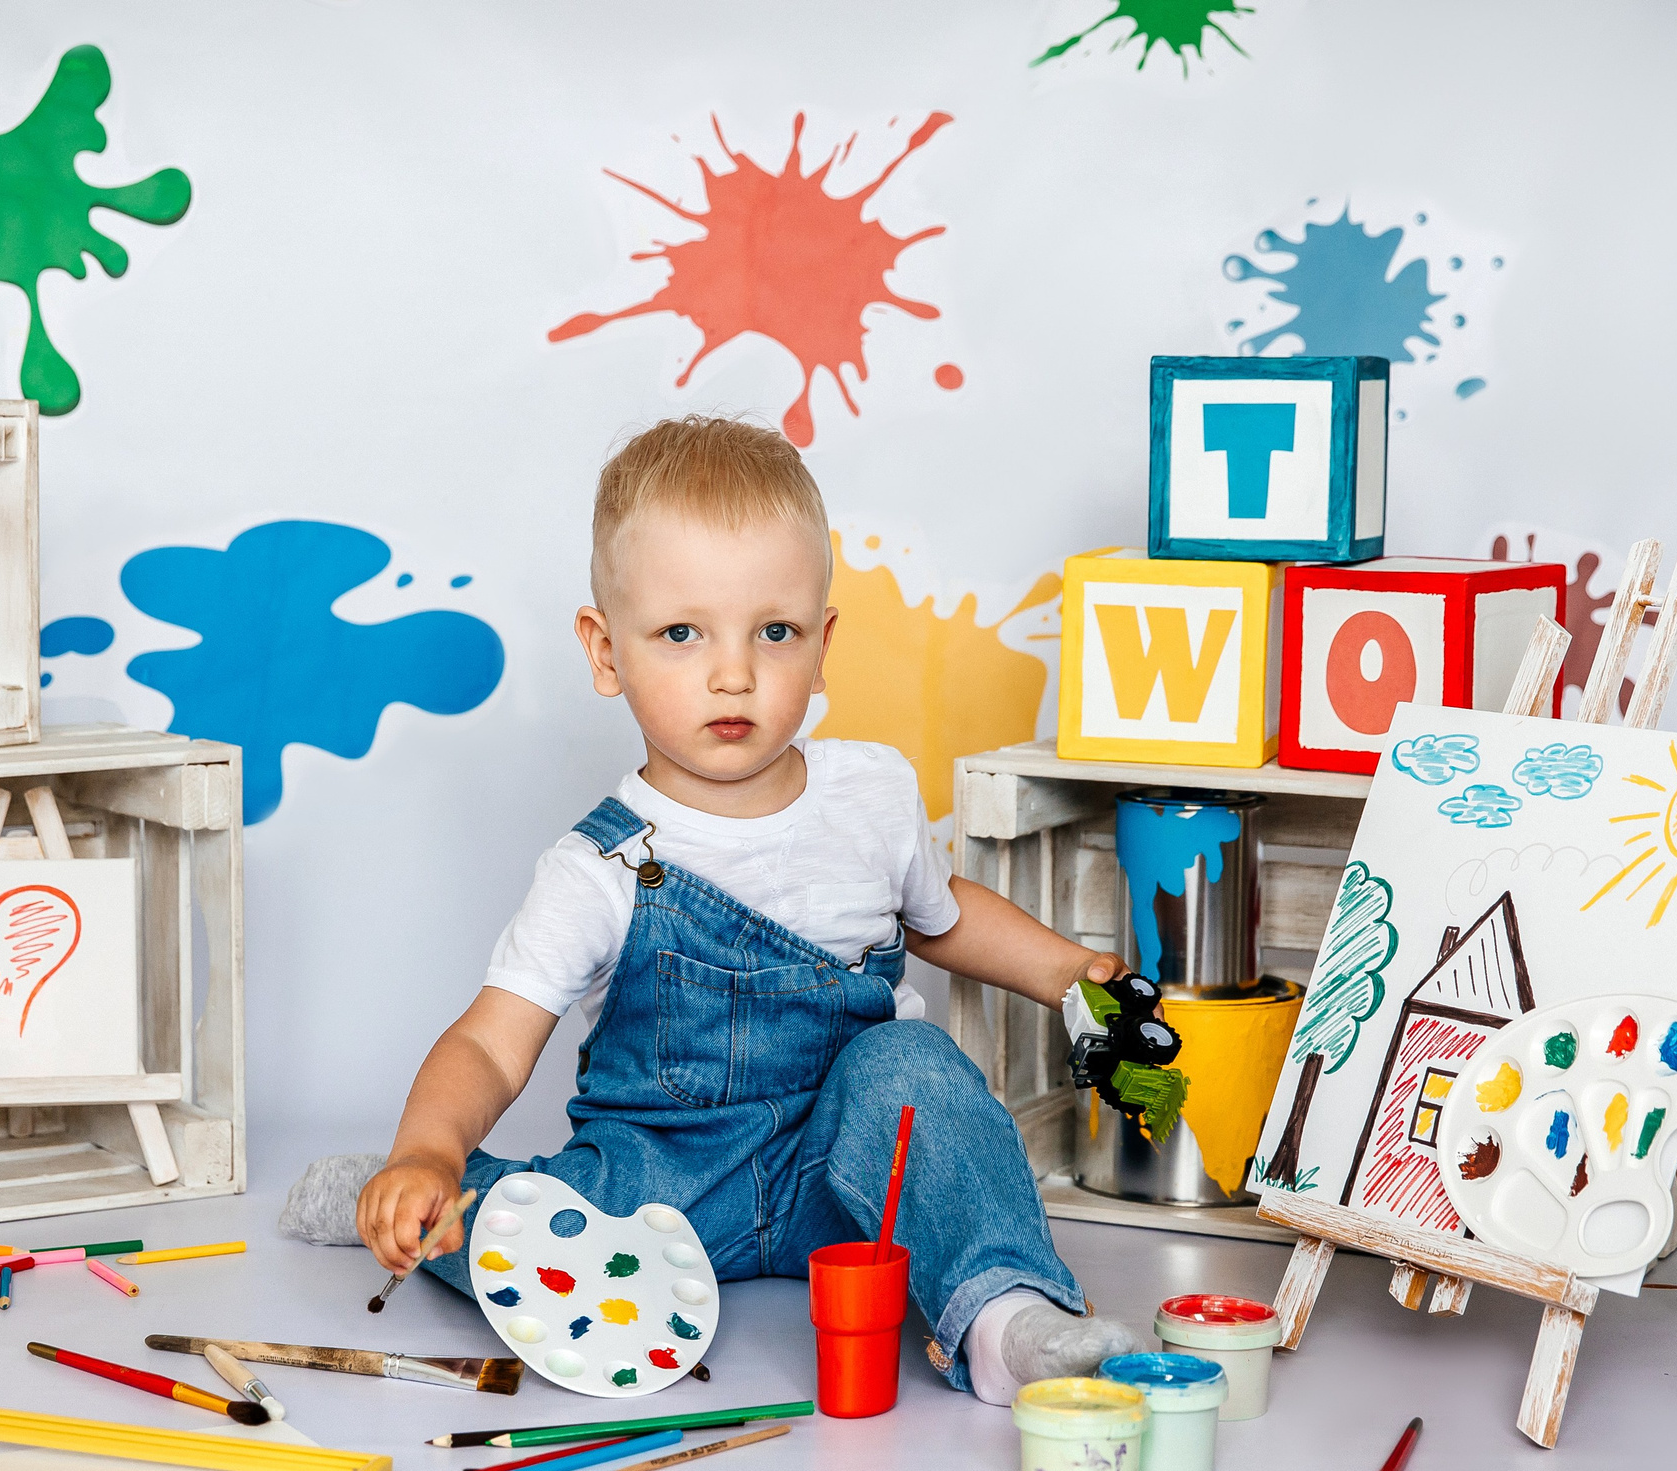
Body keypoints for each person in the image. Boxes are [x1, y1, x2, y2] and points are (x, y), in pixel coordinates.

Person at [340, 415, 1140, 1400]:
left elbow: (941, 919)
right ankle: (384, 1191)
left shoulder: (871, 796)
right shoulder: (599, 866)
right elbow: (491, 1044)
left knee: (913, 1065)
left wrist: (1069, 972)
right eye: (682, 633)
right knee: (481, 1213)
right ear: (605, 651)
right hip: (657, 1188)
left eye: (775, 632)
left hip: (845, 1182)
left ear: (823, 643)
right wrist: (426, 1149)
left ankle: (1005, 1316)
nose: (734, 673)